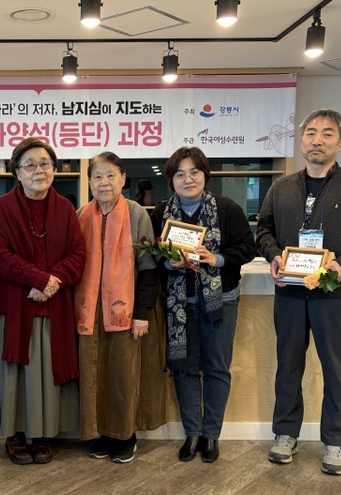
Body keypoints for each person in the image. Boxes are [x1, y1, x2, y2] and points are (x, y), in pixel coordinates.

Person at [256, 109, 341, 476]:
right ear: (301, 140)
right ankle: (285, 434)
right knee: (288, 367)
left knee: (337, 369)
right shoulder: (281, 187)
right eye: (310, 133)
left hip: (336, 294)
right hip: (290, 294)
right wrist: (274, 256)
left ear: (340, 143)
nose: (317, 140)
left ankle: (336, 441)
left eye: (327, 134)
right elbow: (263, 230)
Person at [0, 137, 86, 465]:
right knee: (17, 373)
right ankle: (15, 435)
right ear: (16, 172)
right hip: (16, 305)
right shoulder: (4, 206)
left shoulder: (65, 208)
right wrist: (40, 279)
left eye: (45, 163)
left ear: (54, 169)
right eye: (29, 165)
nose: (38, 170)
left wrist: (52, 283)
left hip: (54, 307)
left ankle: (43, 434)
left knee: (46, 373)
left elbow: (77, 255)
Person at [150, 146, 256, 464]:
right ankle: (192, 433)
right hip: (179, 302)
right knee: (183, 367)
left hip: (220, 300)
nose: (188, 179)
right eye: (180, 174)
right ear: (171, 180)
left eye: (194, 172)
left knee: (216, 368)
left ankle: (211, 435)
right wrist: (168, 264)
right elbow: (151, 257)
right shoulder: (160, 214)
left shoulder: (226, 208)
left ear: (205, 175)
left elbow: (247, 248)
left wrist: (217, 258)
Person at [75, 152, 167, 463]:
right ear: (89, 181)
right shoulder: (81, 215)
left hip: (124, 309)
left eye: (110, 175)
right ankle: (100, 432)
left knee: (123, 373)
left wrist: (142, 313)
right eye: (97, 176)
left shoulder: (136, 213)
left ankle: (125, 434)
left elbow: (149, 268)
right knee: (94, 371)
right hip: (89, 311)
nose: (104, 182)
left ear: (123, 179)